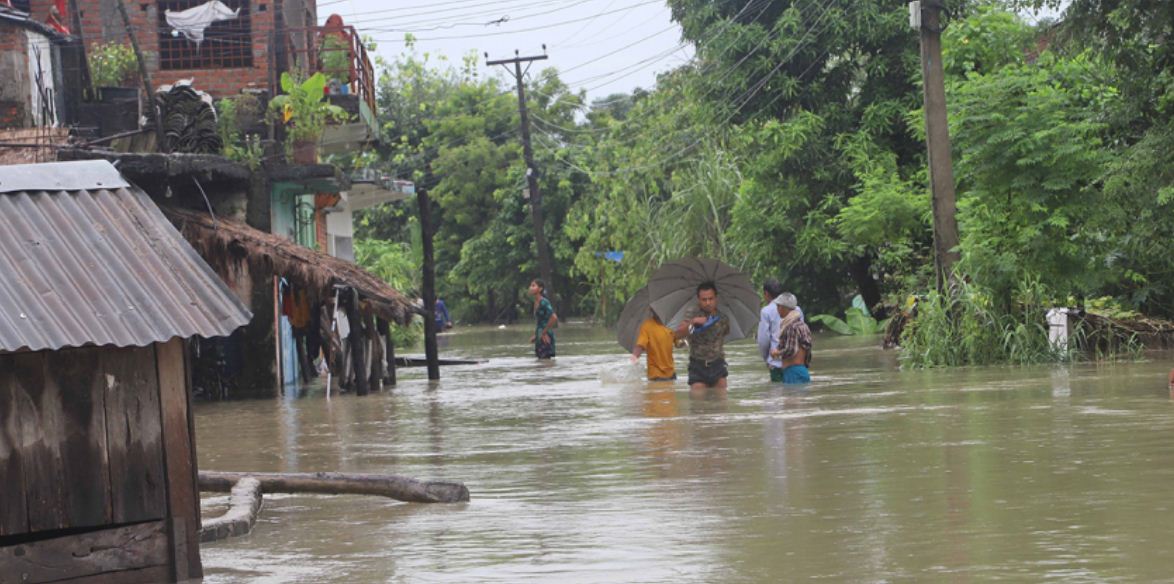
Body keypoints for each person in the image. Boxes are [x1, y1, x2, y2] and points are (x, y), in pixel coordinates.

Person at [676, 281, 730, 397]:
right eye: (704, 299)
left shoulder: (723, 318)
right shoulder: (692, 313)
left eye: (710, 299)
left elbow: (724, 334)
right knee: (698, 407)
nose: (707, 303)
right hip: (698, 366)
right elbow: (679, 334)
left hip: (718, 365)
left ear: (716, 298)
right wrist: (693, 322)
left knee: (721, 408)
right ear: (698, 299)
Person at [757, 279, 806, 382]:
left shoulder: (766, 312)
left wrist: (768, 359)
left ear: (766, 293)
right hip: (796, 363)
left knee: (778, 395)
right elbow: (803, 338)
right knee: (796, 394)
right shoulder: (797, 310)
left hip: (776, 363)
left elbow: (763, 341)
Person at [770, 293, 812, 384]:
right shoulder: (803, 326)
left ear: (783, 307)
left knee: (790, 397)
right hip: (802, 371)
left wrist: (776, 352)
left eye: (778, 306)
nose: (777, 309)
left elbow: (791, 350)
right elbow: (808, 351)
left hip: (793, 372)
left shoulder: (791, 327)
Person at [630, 308, 676, 381]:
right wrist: (635, 356)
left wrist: (684, 342)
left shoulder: (671, 324)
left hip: (671, 372)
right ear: (651, 310)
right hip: (655, 374)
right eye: (654, 309)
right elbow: (641, 345)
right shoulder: (647, 326)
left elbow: (678, 342)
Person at [528, 278, 557, 359]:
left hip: (545, 335)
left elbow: (554, 318)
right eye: (530, 286)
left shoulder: (544, 302)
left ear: (540, 289)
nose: (531, 287)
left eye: (533, 286)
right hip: (540, 334)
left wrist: (544, 332)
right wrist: (536, 335)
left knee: (545, 363)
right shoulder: (535, 301)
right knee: (541, 363)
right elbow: (540, 321)